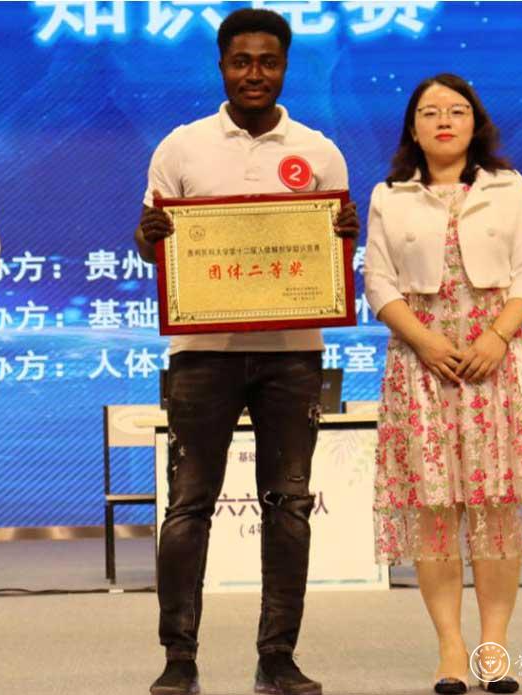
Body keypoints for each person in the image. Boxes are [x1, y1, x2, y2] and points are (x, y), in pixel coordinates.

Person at [134, 9, 359, 695]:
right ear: (221, 66)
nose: (253, 73)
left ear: (284, 66)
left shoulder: (319, 151)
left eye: (267, 61)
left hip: (292, 354)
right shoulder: (182, 147)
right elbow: (152, 246)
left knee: (288, 503)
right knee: (187, 504)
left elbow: (333, 256)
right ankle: (178, 658)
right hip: (202, 352)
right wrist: (148, 236)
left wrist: (342, 235)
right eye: (240, 61)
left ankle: (277, 656)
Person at [364, 73, 522, 695]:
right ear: (413, 127)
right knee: (434, 512)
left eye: (456, 110)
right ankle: (451, 648)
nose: (444, 121)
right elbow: (379, 283)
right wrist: (424, 341)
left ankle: (494, 648)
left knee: (496, 509)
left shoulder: (509, 186)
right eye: (430, 112)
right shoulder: (390, 194)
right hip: (422, 365)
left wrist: (497, 336)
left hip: (494, 362)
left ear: (476, 122)